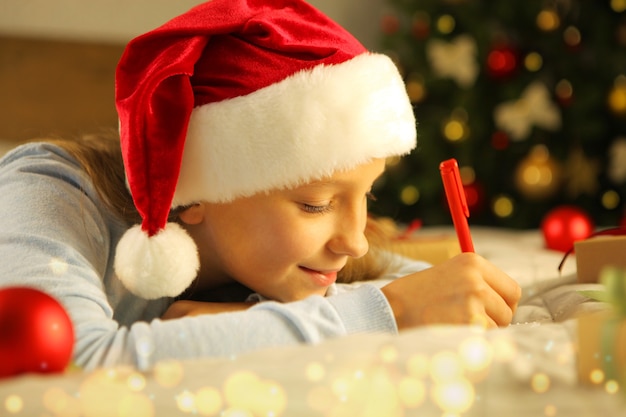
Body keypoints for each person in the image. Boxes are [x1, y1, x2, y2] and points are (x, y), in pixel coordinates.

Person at [0, 0, 520, 371]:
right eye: (316, 204)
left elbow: (410, 278)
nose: (356, 240)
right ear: (199, 189)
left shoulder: (278, 261)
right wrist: (393, 313)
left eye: (368, 194)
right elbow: (70, 360)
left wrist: (241, 316)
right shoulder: (46, 192)